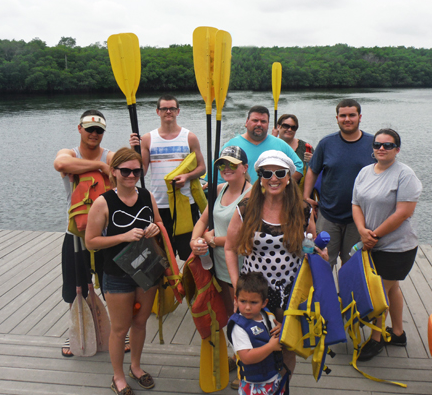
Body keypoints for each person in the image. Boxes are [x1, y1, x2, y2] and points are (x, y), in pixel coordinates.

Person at [225, 150, 326, 375]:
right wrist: (236, 287)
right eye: (266, 173)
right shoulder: (246, 208)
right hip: (255, 290)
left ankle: (282, 385)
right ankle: (256, 380)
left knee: (287, 342)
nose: (273, 178)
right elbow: (230, 248)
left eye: (280, 173)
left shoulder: (303, 209)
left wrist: (320, 253)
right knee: (255, 339)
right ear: (259, 176)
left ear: (289, 177)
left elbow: (311, 245)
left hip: (291, 289)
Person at [85, 148, 163, 395]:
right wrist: (124, 236)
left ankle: (136, 368)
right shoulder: (103, 202)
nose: (131, 175)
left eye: (136, 171)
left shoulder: (147, 196)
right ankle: (118, 376)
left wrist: (155, 229)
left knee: (140, 322)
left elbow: (160, 223)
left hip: (147, 271)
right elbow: (91, 242)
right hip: (117, 274)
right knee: (120, 329)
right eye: (125, 171)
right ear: (114, 172)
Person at [351, 129, 422, 362]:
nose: (382, 148)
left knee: (378, 293)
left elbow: (404, 213)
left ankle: (376, 339)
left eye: (388, 145)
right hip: (372, 244)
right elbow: (356, 204)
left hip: (397, 247)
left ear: (397, 149)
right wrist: (362, 231)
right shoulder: (364, 172)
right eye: (378, 144)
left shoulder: (405, 175)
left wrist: (373, 236)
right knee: (391, 289)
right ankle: (398, 333)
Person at [53, 109, 115, 357]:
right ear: (80, 129)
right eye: (90, 129)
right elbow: (60, 164)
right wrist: (100, 166)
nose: (94, 134)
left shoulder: (111, 155)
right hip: (76, 234)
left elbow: (129, 171)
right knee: (74, 287)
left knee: (112, 286)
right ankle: (74, 330)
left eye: (99, 130)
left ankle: (121, 332)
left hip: (105, 234)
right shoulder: (70, 154)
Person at [130, 95, 205, 260]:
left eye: (172, 108)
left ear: (178, 111)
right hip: (159, 205)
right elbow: (139, 171)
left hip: (185, 203)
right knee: (162, 256)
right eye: (164, 109)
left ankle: (189, 285)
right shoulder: (148, 139)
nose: (168, 112)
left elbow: (202, 168)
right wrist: (133, 150)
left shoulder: (189, 137)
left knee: (191, 255)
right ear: (158, 112)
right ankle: (168, 286)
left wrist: (186, 176)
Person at [302, 98, 374, 267]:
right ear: (337, 118)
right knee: (323, 260)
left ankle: (349, 294)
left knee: (353, 264)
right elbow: (313, 170)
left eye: (351, 115)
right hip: (328, 215)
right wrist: (306, 196)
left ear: (360, 117)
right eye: (343, 115)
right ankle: (324, 293)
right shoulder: (327, 143)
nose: (347, 119)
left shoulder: (372, 144)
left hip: (359, 219)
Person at [190, 146, 252, 316]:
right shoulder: (220, 189)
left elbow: (246, 237)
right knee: (228, 314)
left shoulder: (251, 195)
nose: (226, 169)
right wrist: (194, 240)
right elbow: (203, 220)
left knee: (242, 315)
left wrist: (211, 240)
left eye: (232, 165)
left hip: (241, 266)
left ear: (245, 168)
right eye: (222, 165)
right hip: (218, 264)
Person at [227, 272, 286, 395]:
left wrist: (281, 328)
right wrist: (270, 347)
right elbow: (246, 358)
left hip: (274, 379)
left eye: (254, 302)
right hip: (253, 386)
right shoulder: (238, 327)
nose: (248, 307)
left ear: (264, 303)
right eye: (243, 301)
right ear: (236, 300)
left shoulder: (268, 317)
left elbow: (278, 337)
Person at [217, 106, 304, 184]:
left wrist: (281, 185)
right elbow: (217, 177)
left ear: (268, 124)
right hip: (241, 198)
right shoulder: (230, 146)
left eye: (263, 121)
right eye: (255, 120)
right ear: (247, 122)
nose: (259, 124)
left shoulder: (280, 144)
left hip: (271, 198)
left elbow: (299, 167)